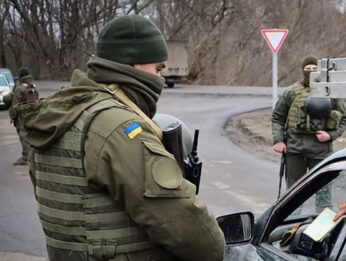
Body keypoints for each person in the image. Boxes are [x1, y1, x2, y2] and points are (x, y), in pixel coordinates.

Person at [16, 15, 224, 261]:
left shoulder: (60, 114)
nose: (160, 78)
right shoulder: (119, 127)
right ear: (132, 64)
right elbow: (194, 235)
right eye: (157, 68)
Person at [272, 55, 346, 189]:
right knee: (294, 190)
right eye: (308, 68)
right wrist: (278, 140)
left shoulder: (329, 91)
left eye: (315, 68)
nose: (311, 71)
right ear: (302, 70)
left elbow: (344, 119)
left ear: (320, 70)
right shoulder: (291, 92)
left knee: (323, 189)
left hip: (320, 148)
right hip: (294, 148)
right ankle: (294, 211)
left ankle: (322, 211)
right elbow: (278, 117)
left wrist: (330, 135)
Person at [9, 67, 38, 165]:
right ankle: (31, 156)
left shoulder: (20, 88)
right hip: (32, 115)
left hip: (22, 116)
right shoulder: (33, 87)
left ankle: (26, 158)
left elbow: (15, 104)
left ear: (20, 77)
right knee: (30, 136)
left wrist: (12, 116)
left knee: (23, 136)